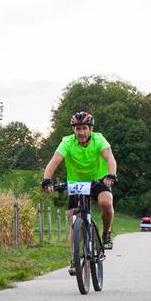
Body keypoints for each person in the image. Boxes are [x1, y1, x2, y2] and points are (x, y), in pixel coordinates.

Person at [41, 111, 117, 275]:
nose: (81, 132)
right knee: (75, 220)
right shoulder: (67, 142)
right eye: (77, 129)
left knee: (106, 202)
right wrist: (47, 179)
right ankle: (74, 260)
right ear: (73, 130)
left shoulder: (99, 139)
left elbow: (109, 157)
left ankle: (106, 234)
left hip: (99, 180)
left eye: (84, 128)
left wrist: (111, 175)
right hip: (76, 184)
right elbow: (55, 161)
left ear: (90, 129)